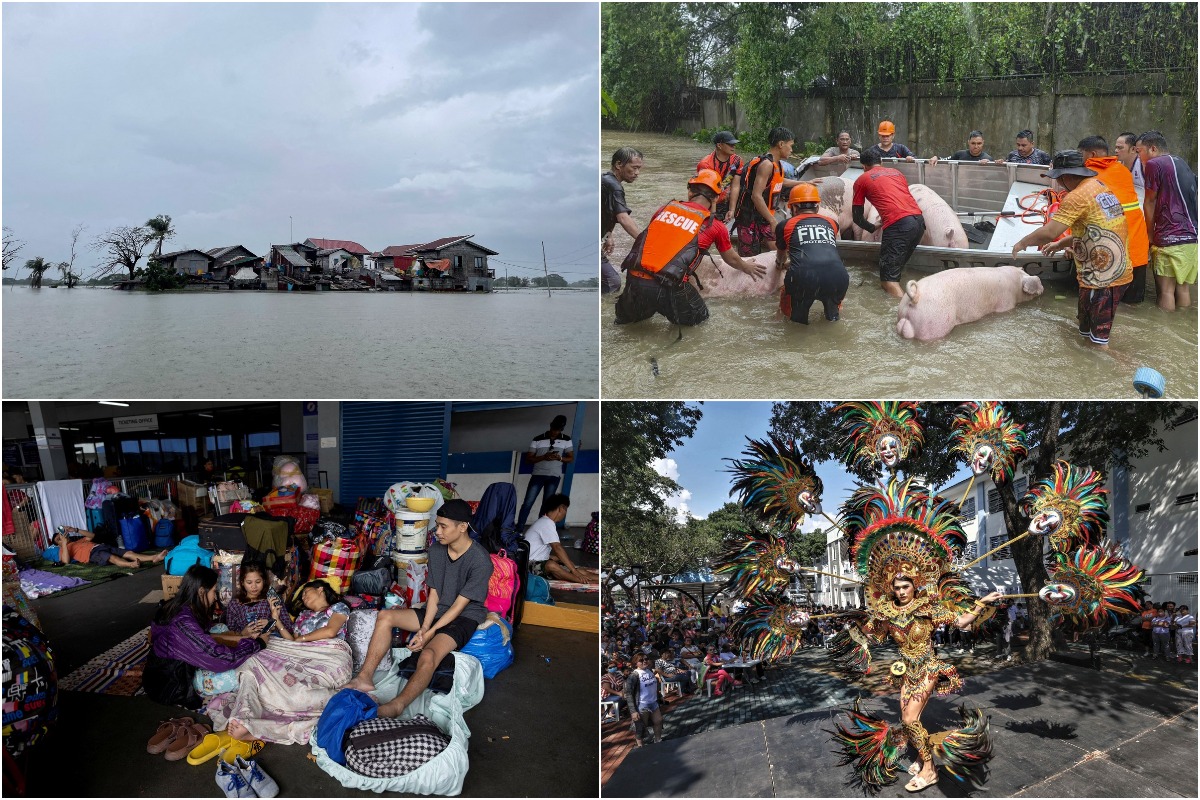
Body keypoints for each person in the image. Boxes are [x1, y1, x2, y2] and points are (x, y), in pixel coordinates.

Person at [344, 499, 493, 718]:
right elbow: (434, 594)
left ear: (462, 527)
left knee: (429, 653)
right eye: (437, 524)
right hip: (439, 609)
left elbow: (460, 605)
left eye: (444, 526)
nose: (437, 531)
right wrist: (423, 628)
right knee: (385, 616)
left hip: (464, 615)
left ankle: (398, 704)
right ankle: (365, 677)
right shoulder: (436, 550)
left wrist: (430, 634)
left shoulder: (480, 560)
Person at [614, 169, 766, 326]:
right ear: (716, 198)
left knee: (629, 324)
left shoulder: (664, 209)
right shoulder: (715, 226)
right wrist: (747, 267)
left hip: (634, 278)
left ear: (689, 192)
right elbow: (731, 258)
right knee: (699, 321)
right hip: (666, 285)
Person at [1012, 150, 1131, 349]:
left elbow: (1050, 231)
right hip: (1106, 271)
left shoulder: (1076, 197)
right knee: (1086, 333)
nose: (1057, 184)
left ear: (1066, 177)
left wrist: (1022, 243)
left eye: (1058, 179)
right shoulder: (1099, 186)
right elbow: (1096, 229)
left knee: (1098, 344)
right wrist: (1062, 243)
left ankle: (1119, 370)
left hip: (1104, 279)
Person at [144, 565, 268, 709]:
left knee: (220, 628)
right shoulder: (183, 624)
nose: (215, 597)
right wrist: (258, 643)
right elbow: (221, 659)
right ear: (201, 591)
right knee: (245, 674)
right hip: (172, 685)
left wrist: (241, 636)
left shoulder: (184, 607)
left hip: (178, 667)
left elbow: (207, 636)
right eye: (214, 591)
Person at [1078, 135, 1150, 306]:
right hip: (1138, 250)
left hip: (1112, 255)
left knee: (1104, 307)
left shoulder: (1088, 176)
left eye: (1081, 154)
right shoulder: (1124, 171)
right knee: (1133, 307)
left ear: (1091, 155)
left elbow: (1078, 215)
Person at [1136, 130, 1197, 312]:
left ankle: (1164, 327)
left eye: (1139, 152)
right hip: (1191, 239)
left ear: (1152, 149)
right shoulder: (1181, 162)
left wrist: (1150, 234)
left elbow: (1149, 200)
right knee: (1183, 289)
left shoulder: (1155, 164)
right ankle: (1182, 322)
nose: (1139, 158)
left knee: (1166, 292)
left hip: (1169, 239)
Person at [852, 148, 926, 297]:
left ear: (863, 167)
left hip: (899, 226)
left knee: (888, 281)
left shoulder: (862, 179)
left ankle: (903, 314)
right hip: (918, 222)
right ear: (881, 162)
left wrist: (872, 227)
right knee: (896, 271)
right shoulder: (897, 173)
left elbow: (857, 217)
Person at [775, 182, 849, 323]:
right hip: (838, 276)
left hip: (803, 277)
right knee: (832, 321)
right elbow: (820, 248)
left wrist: (780, 264)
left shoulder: (785, 225)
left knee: (795, 323)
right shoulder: (832, 223)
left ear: (794, 207)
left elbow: (781, 255)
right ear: (817, 206)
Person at [733, 126, 799, 256]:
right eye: (790, 146)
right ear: (781, 144)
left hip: (764, 218)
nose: (791, 150)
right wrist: (773, 220)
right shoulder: (766, 165)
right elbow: (756, 196)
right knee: (749, 261)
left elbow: (779, 181)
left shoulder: (777, 164)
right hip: (749, 219)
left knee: (781, 251)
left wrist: (805, 182)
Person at [516, 414, 574, 531]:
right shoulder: (537, 438)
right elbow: (529, 459)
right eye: (553, 430)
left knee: (547, 505)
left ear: (561, 430)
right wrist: (544, 457)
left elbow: (571, 458)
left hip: (554, 476)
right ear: (550, 426)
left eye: (557, 431)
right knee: (528, 503)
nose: (554, 433)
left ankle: (538, 529)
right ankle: (519, 529)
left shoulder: (567, 439)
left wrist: (559, 458)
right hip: (538, 475)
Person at [525, 493, 597, 584]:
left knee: (575, 568)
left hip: (538, 561)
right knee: (552, 565)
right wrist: (574, 571)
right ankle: (581, 580)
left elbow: (536, 550)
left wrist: (571, 567)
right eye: (565, 510)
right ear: (561, 508)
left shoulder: (545, 522)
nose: (565, 513)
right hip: (528, 566)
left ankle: (603, 580)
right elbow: (557, 547)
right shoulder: (546, 523)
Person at [602, 147, 644, 294]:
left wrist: (608, 235)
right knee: (612, 283)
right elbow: (623, 218)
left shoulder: (606, 181)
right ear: (619, 165)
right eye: (634, 168)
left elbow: (604, 212)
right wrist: (645, 240)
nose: (637, 173)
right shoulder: (614, 186)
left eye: (639, 169)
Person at [222, 562, 293, 641]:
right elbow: (230, 631)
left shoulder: (272, 599)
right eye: (249, 582)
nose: (254, 586)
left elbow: (289, 627)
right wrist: (242, 633)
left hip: (272, 642)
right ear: (242, 583)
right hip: (246, 643)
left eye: (258, 582)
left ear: (264, 581)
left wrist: (271, 625)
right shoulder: (234, 604)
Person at [53, 525, 166, 569]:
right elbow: (65, 562)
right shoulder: (62, 549)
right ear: (57, 544)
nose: (62, 537)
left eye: (61, 535)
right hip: (92, 554)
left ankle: (154, 557)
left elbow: (92, 536)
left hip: (101, 546)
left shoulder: (77, 541)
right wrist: (63, 543)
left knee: (128, 553)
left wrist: (75, 530)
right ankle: (130, 564)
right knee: (111, 557)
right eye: (58, 539)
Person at [696, 131, 744, 222]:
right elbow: (705, 193)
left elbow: (735, 185)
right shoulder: (706, 165)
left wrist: (732, 210)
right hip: (708, 202)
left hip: (725, 200)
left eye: (734, 144)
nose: (733, 146)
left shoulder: (737, 161)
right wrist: (712, 214)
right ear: (719, 145)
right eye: (730, 144)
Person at [624, 653, 663, 745]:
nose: (644, 661)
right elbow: (629, 694)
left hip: (653, 703)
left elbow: (654, 686)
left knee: (659, 721)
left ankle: (658, 740)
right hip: (642, 705)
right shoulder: (634, 676)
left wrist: (659, 696)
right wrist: (633, 711)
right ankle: (640, 746)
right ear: (635, 663)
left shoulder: (649, 671)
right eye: (641, 660)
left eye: (646, 659)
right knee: (641, 727)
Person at [864, 120, 937, 165]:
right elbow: (863, 160)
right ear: (879, 136)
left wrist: (910, 158)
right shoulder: (873, 150)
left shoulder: (900, 148)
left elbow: (916, 159)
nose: (885, 138)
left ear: (893, 135)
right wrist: (854, 156)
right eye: (883, 136)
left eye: (888, 136)